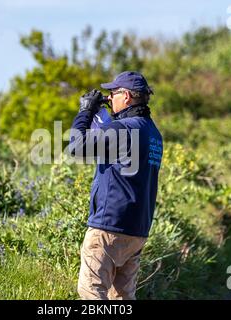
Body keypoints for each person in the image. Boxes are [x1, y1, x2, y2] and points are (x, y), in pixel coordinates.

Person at [68, 71, 163, 300]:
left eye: (113, 93)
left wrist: (85, 111)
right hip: (137, 229)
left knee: (91, 290)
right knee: (121, 297)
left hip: (109, 226)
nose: (110, 98)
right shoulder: (154, 134)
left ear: (127, 96)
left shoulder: (124, 129)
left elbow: (76, 147)